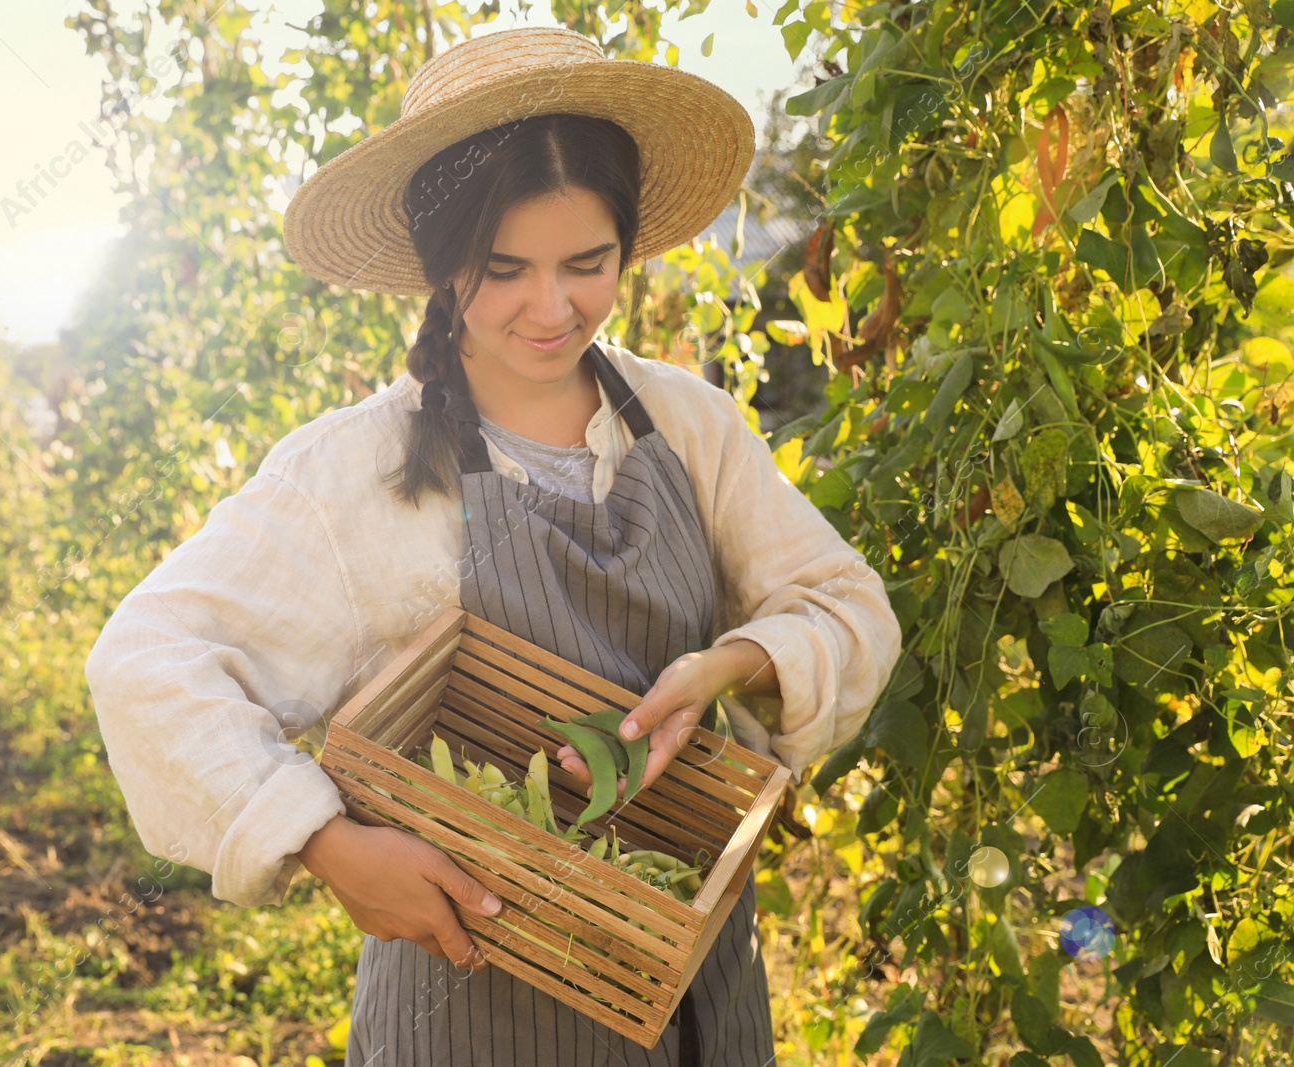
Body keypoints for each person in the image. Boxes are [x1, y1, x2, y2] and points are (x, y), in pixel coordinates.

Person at [84, 24, 902, 1067]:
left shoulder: (686, 424)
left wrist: (724, 665)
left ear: (627, 247)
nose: (552, 308)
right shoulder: (358, 468)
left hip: (696, 987)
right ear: (441, 261)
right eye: (503, 267)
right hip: (471, 998)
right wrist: (329, 844)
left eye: (587, 263)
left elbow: (845, 607)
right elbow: (148, 656)